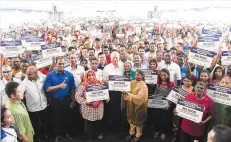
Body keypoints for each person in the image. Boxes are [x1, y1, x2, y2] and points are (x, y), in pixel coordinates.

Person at [44, 57, 76, 141]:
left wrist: (73, 100)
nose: (61, 65)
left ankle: (67, 132)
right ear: (56, 64)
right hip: (55, 101)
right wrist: (59, 86)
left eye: (62, 64)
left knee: (67, 117)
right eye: (59, 64)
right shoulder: (50, 75)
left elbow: (72, 88)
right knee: (56, 119)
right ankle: (57, 135)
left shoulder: (69, 74)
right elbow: (47, 89)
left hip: (66, 100)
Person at [75, 70, 110, 141]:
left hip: (99, 108)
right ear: (86, 76)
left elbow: (105, 93)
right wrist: (85, 101)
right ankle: (89, 138)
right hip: (88, 109)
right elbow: (77, 96)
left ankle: (97, 135)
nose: (91, 77)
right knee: (88, 124)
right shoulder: (83, 85)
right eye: (89, 75)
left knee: (98, 123)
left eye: (93, 75)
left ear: (95, 75)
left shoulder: (99, 83)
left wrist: (107, 98)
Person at [20, 66, 52, 142]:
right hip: (33, 109)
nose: (28, 76)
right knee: (36, 126)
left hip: (44, 106)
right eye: (27, 74)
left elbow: (49, 78)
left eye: (30, 74)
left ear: (36, 73)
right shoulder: (24, 82)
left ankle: (49, 137)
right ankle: (39, 138)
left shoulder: (42, 77)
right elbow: (20, 93)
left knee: (46, 123)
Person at [124, 70, 148, 142]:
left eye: (139, 75)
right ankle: (131, 133)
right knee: (131, 120)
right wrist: (125, 92)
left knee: (138, 122)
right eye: (136, 74)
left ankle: (138, 135)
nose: (137, 76)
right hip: (131, 105)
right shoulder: (132, 82)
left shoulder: (144, 85)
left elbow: (140, 98)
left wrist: (128, 95)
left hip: (139, 107)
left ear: (142, 76)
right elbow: (128, 90)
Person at [103, 51, 124, 132]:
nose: (115, 59)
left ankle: (118, 126)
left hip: (120, 92)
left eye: (116, 58)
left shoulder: (122, 66)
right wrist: (112, 83)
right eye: (113, 58)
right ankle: (110, 127)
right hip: (111, 92)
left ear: (119, 58)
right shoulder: (107, 68)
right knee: (111, 110)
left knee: (119, 109)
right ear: (110, 59)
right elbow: (104, 81)